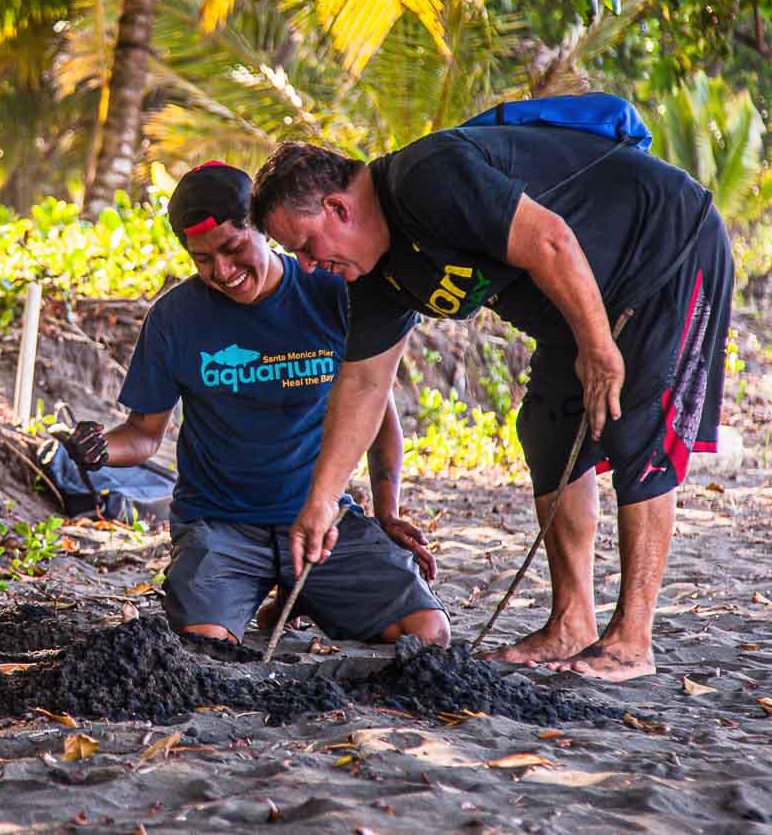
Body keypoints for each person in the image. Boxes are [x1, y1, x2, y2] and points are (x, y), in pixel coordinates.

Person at [249, 120, 733, 682]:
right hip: (576, 298)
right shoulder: (374, 275)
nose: (306, 265)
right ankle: (571, 623)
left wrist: (599, 350)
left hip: (664, 248)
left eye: (305, 246)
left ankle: (632, 639)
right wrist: (321, 502)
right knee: (548, 430)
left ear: (338, 208)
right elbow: (362, 386)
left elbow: (550, 240)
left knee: (636, 426)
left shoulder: (426, 179)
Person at [62, 161, 449, 647]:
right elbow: (142, 436)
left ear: (263, 230)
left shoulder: (331, 289)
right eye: (203, 260)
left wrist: (387, 513)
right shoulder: (174, 318)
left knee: (427, 635)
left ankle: (306, 591)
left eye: (232, 248)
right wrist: (100, 449)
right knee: (204, 643)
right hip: (220, 526)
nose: (221, 271)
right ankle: (276, 591)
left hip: (321, 524)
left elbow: (378, 411)